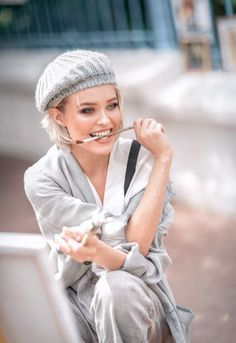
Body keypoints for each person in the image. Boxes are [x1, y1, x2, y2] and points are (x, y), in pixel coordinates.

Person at [24, 49, 194, 343]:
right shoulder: (41, 178)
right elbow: (128, 245)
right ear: (59, 116)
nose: (106, 121)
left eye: (112, 106)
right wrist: (110, 246)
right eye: (87, 110)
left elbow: (136, 247)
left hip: (136, 302)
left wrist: (164, 156)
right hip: (75, 303)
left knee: (116, 289)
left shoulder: (144, 160)